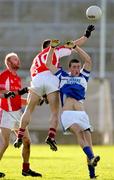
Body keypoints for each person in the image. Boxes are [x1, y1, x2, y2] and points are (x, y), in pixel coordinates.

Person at [13, 25, 95, 152]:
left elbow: (35, 77)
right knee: (55, 112)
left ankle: (19, 136)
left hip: (36, 80)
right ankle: (51, 136)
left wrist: (42, 94)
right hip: (51, 78)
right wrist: (87, 34)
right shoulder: (55, 50)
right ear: (50, 46)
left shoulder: (35, 60)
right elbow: (75, 44)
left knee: (28, 109)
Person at [45, 43, 100, 179]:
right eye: (74, 67)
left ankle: (92, 175)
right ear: (69, 68)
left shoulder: (83, 77)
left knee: (89, 143)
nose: (76, 69)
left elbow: (88, 60)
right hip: (68, 114)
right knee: (79, 134)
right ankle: (92, 157)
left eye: (78, 67)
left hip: (82, 114)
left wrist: (75, 47)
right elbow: (48, 65)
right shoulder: (63, 76)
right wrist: (52, 48)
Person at [0, 53, 42, 178]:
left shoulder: (17, 78)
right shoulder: (3, 76)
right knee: (4, 143)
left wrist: (34, 101)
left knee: (27, 141)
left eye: (18, 59)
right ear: (8, 63)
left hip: (18, 113)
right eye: (15, 59)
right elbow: (2, 93)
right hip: (6, 112)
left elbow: (17, 98)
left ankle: (26, 169)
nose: (18, 61)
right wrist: (17, 92)